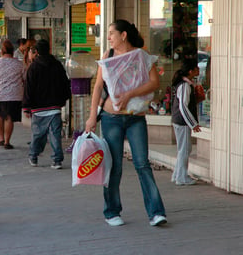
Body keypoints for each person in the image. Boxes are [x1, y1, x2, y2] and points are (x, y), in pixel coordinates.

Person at [85, 19, 167, 227]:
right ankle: (112, 211)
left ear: (124, 35)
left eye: (112, 33)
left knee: (143, 164)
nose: (109, 37)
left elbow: (154, 83)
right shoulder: (108, 56)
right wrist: (92, 116)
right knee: (114, 166)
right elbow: (97, 88)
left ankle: (156, 212)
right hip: (111, 118)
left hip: (136, 118)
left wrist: (130, 94)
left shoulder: (142, 56)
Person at [23, 39, 71, 169]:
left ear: (37, 52)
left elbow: (28, 88)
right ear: (49, 49)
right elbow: (65, 84)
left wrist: (27, 107)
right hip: (55, 107)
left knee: (37, 134)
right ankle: (57, 160)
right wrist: (63, 100)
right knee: (55, 135)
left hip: (38, 108)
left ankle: (33, 156)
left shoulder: (33, 67)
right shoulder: (57, 65)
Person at [0, 40, 24, 149]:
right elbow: (24, 78)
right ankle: (7, 141)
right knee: (9, 117)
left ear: (1, 51)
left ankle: (1, 138)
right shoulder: (19, 63)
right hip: (14, 95)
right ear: (12, 51)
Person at [171, 59, 201, 185]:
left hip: (180, 121)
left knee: (183, 149)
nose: (198, 70)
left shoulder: (186, 84)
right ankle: (182, 177)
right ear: (191, 71)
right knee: (185, 149)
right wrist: (192, 123)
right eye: (196, 68)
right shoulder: (184, 86)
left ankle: (177, 175)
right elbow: (183, 106)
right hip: (182, 122)